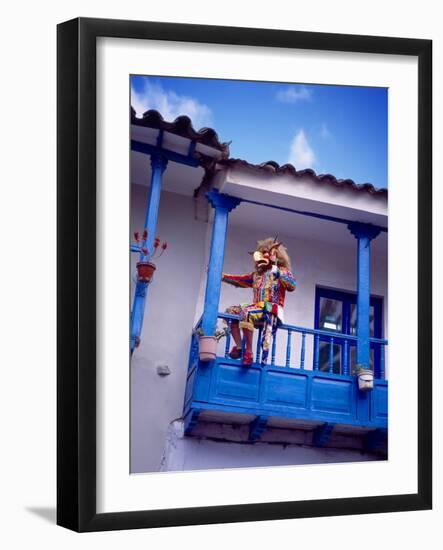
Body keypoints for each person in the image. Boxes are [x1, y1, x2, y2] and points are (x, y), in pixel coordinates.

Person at [222, 238, 296, 366]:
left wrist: (275, 268)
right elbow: (240, 280)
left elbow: (292, 285)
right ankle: (240, 347)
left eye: (268, 252)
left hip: (270, 309)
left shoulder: (282, 271)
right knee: (231, 312)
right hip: (256, 307)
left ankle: (249, 353)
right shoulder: (257, 275)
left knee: (247, 312)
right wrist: (222, 276)